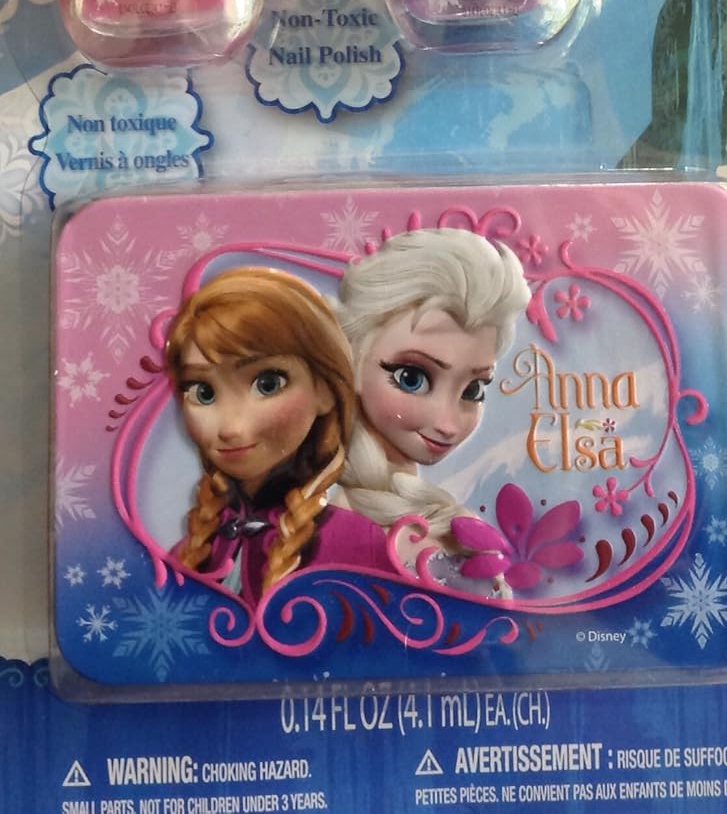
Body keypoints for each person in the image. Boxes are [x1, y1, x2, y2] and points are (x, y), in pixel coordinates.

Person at [166, 266, 389, 606]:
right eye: (203, 392)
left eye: (267, 384)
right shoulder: (189, 552)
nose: (230, 428)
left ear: (325, 389)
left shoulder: (356, 544)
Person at [333, 228, 528, 587]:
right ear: (352, 358)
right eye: (411, 378)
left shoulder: (436, 525)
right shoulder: (345, 534)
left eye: (472, 390)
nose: (447, 424)